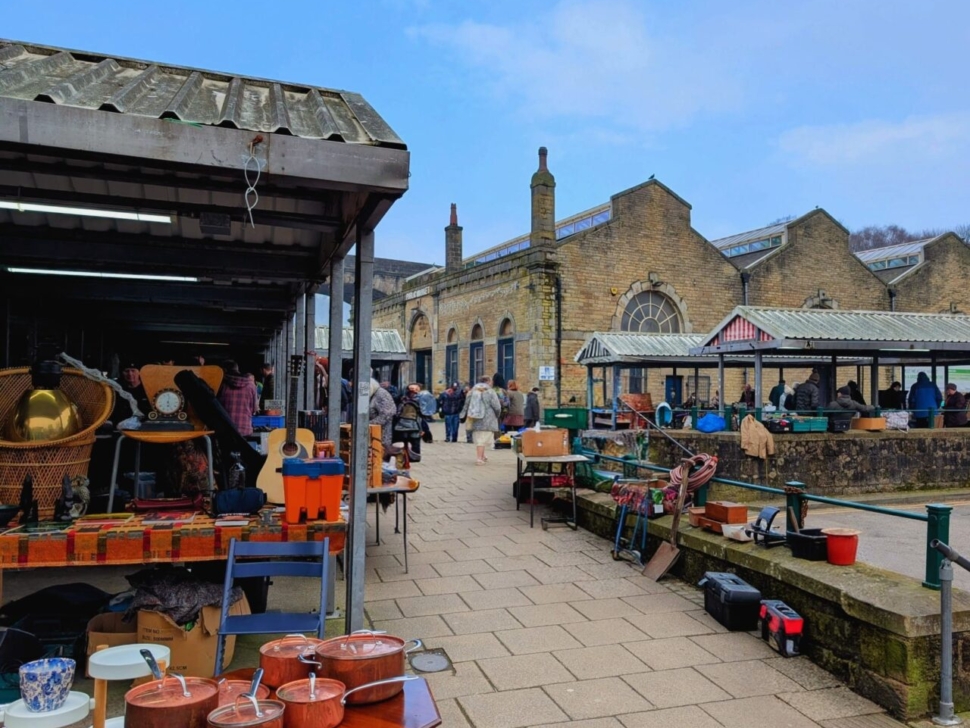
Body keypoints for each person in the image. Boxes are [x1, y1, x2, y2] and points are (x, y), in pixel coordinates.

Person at [459, 376, 502, 465]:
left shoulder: (472, 391)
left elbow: (466, 404)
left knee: (479, 438)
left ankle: (482, 456)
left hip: (474, 418)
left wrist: (464, 415)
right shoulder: (490, 392)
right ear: (488, 382)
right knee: (482, 439)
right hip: (488, 418)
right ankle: (479, 458)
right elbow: (497, 406)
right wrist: (497, 415)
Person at [218, 360, 258, 436]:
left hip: (226, 430)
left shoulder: (221, 385)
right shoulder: (251, 385)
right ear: (237, 369)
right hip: (245, 429)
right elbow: (254, 410)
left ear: (224, 370)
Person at [369, 378, 398, 453]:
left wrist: (371, 423)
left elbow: (388, 413)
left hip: (382, 431)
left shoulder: (381, 394)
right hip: (374, 430)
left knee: (380, 452)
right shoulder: (374, 394)